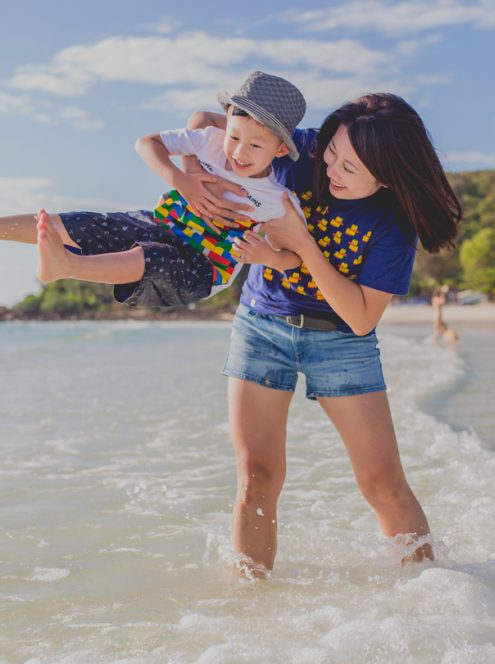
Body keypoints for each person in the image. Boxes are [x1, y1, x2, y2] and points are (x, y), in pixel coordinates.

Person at [184, 93, 462, 576]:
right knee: (257, 477)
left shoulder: (393, 226)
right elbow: (206, 121)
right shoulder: (304, 149)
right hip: (261, 324)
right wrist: (188, 175)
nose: (331, 170)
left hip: (341, 341)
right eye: (331, 154)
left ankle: (432, 597)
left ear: (387, 174)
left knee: (384, 485)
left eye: (349, 168)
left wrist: (303, 244)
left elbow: (360, 319)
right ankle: (250, 609)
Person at [0, 71, 306, 307]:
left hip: (200, 269)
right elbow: (146, 143)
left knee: (156, 257)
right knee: (87, 223)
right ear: (226, 123)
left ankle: (67, 265)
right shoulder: (207, 141)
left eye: (255, 146)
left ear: (281, 149)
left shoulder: (276, 200)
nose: (238, 152)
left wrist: (266, 256)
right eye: (234, 136)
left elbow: (294, 257)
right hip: (158, 224)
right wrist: (181, 180)